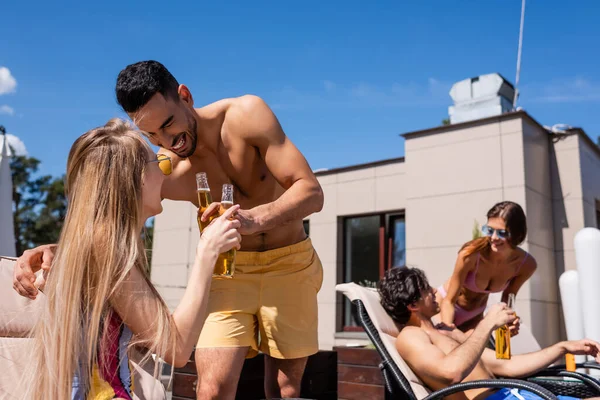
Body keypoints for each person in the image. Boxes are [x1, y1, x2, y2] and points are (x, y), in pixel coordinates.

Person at [13, 60, 324, 399]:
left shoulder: (245, 114)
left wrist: (254, 219)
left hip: (290, 261)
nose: (167, 142)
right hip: (229, 270)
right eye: (151, 135)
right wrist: (58, 251)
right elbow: (106, 204)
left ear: (185, 96)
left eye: (168, 125)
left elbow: (311, 191)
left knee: (286, 388)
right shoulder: (161, 166)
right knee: (213, 388)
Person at [14, 119, 241, 399]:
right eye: (158, 163)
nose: (165, 173)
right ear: (132, 179)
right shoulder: (108, 252)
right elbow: (177, 348)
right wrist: (207, 253)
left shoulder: (97, 247)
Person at [379, 267, 600, 400]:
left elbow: (507, 365)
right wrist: (487, 324)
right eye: (426, 289)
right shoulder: (411, 336)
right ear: (412, 305)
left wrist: (562, 347)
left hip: (518, 393)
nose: (435, 291)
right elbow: (450, 374)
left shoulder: (446, 332)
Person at [437, 201, 537, 332]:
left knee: (479, 351)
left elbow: (508, 300)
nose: (494, 238)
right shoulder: (470, 255)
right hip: (445, 307)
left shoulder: (526, 265)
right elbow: (448, 301)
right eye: (489, 230)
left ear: (517, 234)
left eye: (502, 233)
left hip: (474, 316)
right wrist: (447, 332)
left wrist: (508, 323)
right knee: (448, 347)